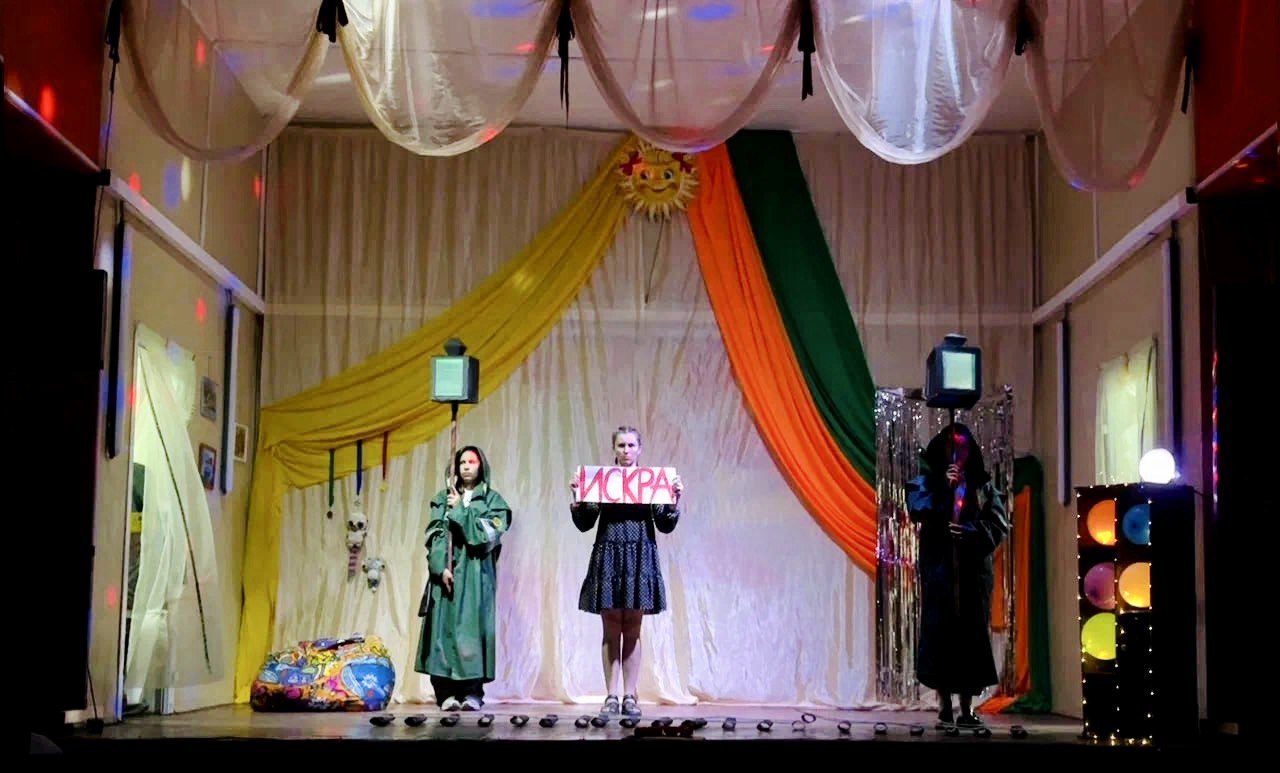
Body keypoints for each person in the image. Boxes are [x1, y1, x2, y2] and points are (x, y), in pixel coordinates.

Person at [569, 426, 683, 719]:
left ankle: (630, 695)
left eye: (631, 445)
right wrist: (578, 499)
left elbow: (665, 524)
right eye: (621, 445)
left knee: (633, 627)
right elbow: (585, 522)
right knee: (610, 628)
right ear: (614, 449)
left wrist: (673, 500)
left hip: (640, 553)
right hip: (609, 552)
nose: (626, 450)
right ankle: (611, 696)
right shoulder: (602, 481)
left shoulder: (651, 482)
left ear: (639, 449)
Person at [906, 423, 1008, 729]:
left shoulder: (983, 486)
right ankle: (944, 706)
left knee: (970, 636)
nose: (957, 454)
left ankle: (966, 708)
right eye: (952, 448)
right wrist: (943, 488)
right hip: (940, 572)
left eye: (961, 448)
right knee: (941, 635)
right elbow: (918, 509)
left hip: (972, 573)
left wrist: (973, 532)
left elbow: (998, 523)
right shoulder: (927, 483)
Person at [415, 445, 511, 711]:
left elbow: (485, 537)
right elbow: (434, 534)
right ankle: (445, 693)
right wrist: (440, 567)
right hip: (448, 575)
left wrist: (460, 510)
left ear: (481, 466)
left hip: (476, 577)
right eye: (462, 462)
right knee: (443, 633)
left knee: (472, 634)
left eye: (472, 461)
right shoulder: (442, 498)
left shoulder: (493, 502)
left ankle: (472, 693)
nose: (466, 466)